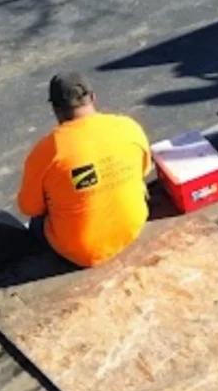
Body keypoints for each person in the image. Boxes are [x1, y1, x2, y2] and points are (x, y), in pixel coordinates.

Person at [17, 74, 152, 268]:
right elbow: (144, 170)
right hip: (132, 228)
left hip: (80, 252)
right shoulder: (128, 127)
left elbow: (29, 208)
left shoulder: (47, 150)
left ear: (55, 108)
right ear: (93, 97)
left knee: (37, 222)